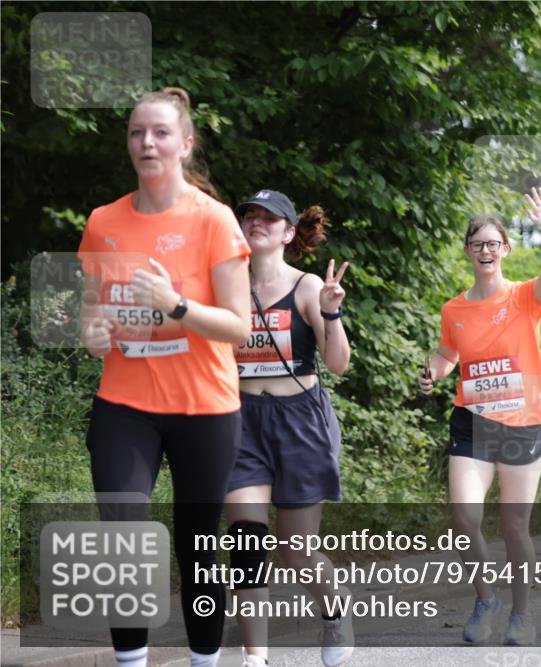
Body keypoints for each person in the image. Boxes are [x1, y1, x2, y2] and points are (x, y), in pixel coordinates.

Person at [78, 87, 251, 667]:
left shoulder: (214, 221)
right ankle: (132, 662)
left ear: (185, 144)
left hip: (204, 407)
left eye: (159, 132)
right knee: (122, 528)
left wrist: (175, 304)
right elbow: (91, 312)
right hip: (125, 402)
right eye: (136, 132)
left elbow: (238, 327)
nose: (146, 142)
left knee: (197, 542)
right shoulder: (104, 222)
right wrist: (93, 333)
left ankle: (204, 660)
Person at [418, 188, 541, 646]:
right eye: (477, 243)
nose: (485, 250)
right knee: (464, 516)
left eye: (493, 243)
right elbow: (448, 352)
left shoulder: (524, 297)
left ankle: (522, 614)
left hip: (523, 423)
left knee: (513, 526)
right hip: (473, 422)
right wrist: (434, 371)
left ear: (505, 249)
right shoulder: (454, 308)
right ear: (467, 251)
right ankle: (486, 598)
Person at [224, 190, 353, 667]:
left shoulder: (306, 287)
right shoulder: (226, 285)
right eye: (249, 216)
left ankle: (334, 612)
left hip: (300, 419)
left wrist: (332, 311)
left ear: (288, 232)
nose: (257, 223)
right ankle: (254, 657)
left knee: (296, 552)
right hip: (241, 420)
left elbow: (338, 365)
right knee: (247, 544)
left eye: (268, 218)